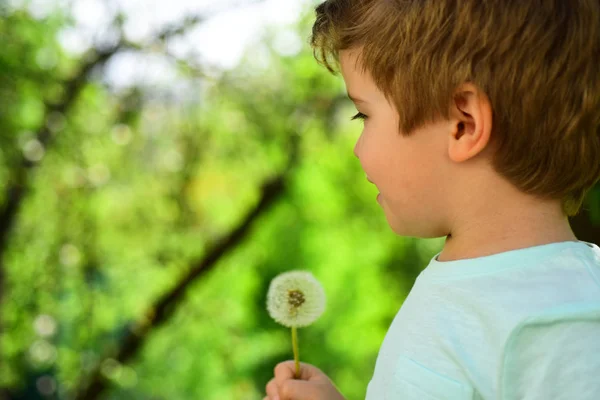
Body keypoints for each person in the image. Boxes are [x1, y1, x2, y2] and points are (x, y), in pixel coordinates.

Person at [264, 0, 600, 399]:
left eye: (364, 116)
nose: (356, 149)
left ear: (463, 125)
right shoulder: (483, 290)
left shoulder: (563, 324)